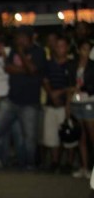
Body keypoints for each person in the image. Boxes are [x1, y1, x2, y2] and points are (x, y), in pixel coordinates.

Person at [0, 26, 46, 170]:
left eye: (20, 37)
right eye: (17, 37)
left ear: (28, 37)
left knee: (28, 138)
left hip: (30, 102)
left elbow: (34, 70)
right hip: (12, 100)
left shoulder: (38, 52)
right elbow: (8, 68)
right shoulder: (14, 51)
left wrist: (22, 55)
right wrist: (27, 70)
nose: (17, 40)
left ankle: (29, 165)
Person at [42, 36, 72, 172]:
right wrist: (52, 94)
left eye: (62, 46)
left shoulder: (72, 64)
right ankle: (55, 162)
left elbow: (73, 86)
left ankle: (68, 163)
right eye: (57, 46)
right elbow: (45, 80)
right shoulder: (48, 64)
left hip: (67, 106)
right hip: (51, 104)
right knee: (51, 136)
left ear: (67, 48)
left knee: (69, 136)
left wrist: (59, 93)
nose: (60, 49)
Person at [68, 39, 94, 178]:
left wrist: (82, 88)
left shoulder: (92, 66)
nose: (86, 51)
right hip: (76, 103)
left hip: (89, 102)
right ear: (79, 50)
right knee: (81, 136)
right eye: (83, 48)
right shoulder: (73, 65)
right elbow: (69, 85)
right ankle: (84, 167)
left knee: (92, 135)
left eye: (88, 49)